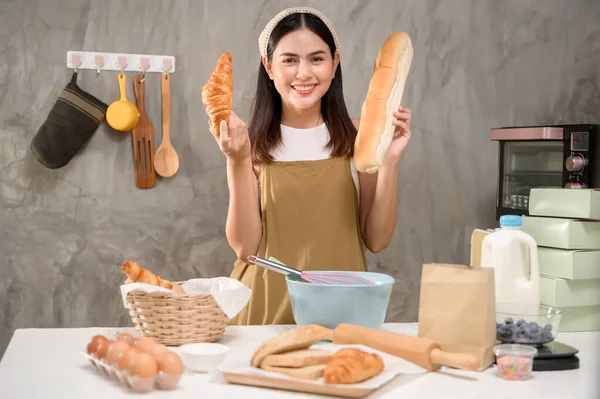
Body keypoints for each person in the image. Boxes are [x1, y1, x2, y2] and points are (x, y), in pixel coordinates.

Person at [209, 7, 413, 325]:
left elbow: (376, 239)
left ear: (335, 63)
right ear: (269, 66)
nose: (304, 73)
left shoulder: (361, 137)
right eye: (289, 60)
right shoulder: (248, 144)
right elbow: (246, 248)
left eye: (316, 59)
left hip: (344, 313)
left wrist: (390, 160)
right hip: (265, 315)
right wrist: (236, 161)